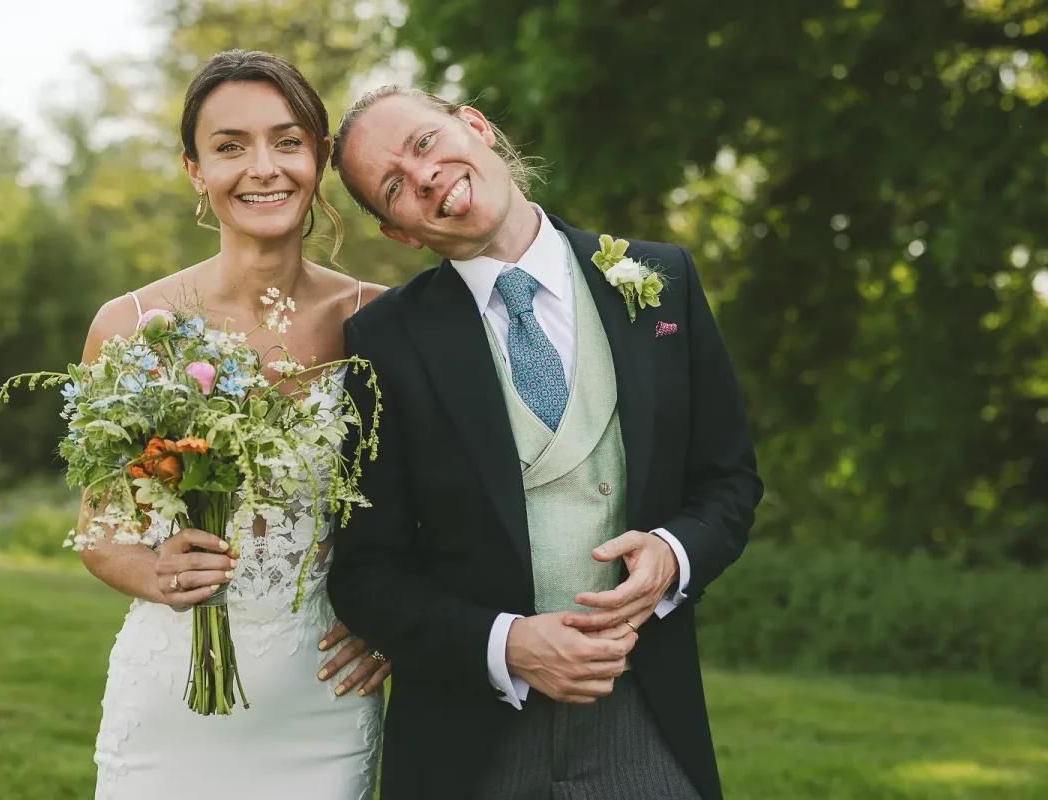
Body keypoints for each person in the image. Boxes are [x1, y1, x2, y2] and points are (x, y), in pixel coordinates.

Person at [326, 86, 764, 800]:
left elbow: (728, 481)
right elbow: (366, 574)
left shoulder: (663, 281)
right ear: (400, 234)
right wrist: (505, 646)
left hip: (645, 714)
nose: (425, 177)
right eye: (394, 186)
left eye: (424, 144)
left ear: (475, 126)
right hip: (470, 738)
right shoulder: (383, 341)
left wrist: (674, 553)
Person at [78, 51, 386, 799]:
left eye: (287, 141)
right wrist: (151, 567)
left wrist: (399, 620)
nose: (263, 168)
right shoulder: (132, 326)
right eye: (229, 146)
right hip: (169, 700)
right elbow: (100, 528)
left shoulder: (381, 320)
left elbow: (442, 504)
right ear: (194, 168)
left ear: (318, 157)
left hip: (324, 702)